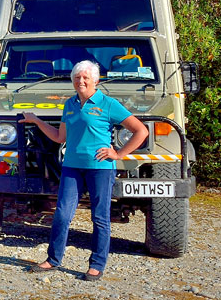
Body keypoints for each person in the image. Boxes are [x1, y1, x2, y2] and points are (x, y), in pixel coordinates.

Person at [21, 60, 148, 281]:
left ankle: (97, 265)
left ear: (96, 81)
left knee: (100, 217)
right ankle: (53, 260)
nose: (81, 81)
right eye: (77, 77)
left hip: (100, 169)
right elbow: (60, 137)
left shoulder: (108, 104)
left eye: (86, 78)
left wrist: (118, 154)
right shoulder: (69, 104)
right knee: (62, 214)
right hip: (71, 167)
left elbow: (141, 131)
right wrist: (36, 121)